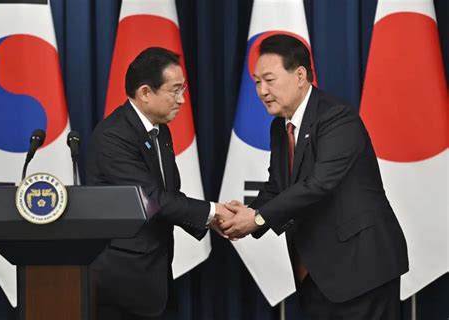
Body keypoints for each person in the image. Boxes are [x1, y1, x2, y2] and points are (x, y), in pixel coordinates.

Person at [221, 34, 409, 319]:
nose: (261, 91)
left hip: (362, 268)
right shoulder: (279, 129)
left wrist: (258, 219)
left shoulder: (336, 117)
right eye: (257, 82)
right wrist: (243, 216)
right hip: (316, 272)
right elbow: (277, 187)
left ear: (299, 76)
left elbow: (319, 184)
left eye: (269, 80)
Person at [86, 47, 231, 320]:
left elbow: (168, 194)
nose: (182, 100)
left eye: (183, 90)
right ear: (145, 93)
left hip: (154, 274)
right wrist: (212, 212)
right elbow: (153, 200)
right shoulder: (113, 136)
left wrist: (211, 220)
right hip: (122, 280)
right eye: (175, 91)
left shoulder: (158, 130)